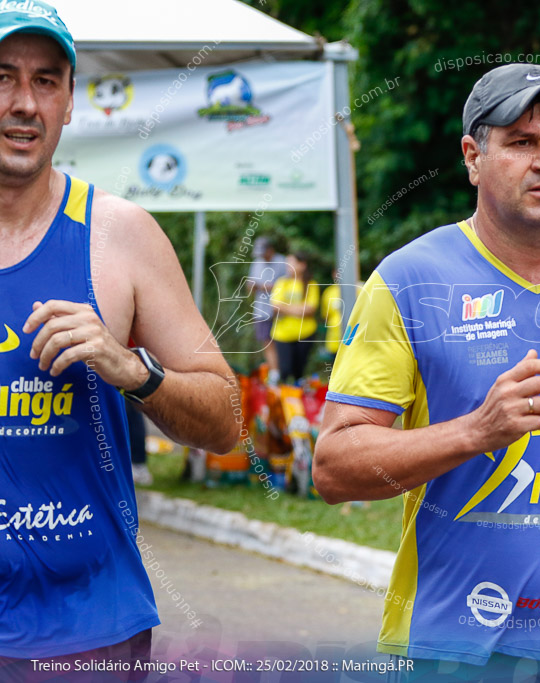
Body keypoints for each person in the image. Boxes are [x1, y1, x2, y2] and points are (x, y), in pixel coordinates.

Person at [312, 63, 540, 680]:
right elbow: (334, 468)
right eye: (521, 142)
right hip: (449, 647)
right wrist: (476, 431)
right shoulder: (407, 282)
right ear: (473, 156)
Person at [0, 2, 239, 671]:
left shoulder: (119, 233)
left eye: (46, 81)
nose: (24, 103)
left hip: (90, 632)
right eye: (3, 77)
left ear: (70, 101)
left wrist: (133, 368)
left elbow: (227, 422)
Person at [269, 250, 319, 384]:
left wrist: (286, 308)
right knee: (284, 371)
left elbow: (310, 309)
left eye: (291, 262)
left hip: (305, 334)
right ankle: (285, 399)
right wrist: (299, 309)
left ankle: (297, 400)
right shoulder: (282, 282)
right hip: (282, 335)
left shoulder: (310, 284)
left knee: (299, 372)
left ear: (302, 265)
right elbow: (275, 306)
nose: (288, 265)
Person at [248, 236, 289, 384]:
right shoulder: (256, 263)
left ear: (270, 250)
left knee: (280, 342)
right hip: (261, 309)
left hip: (280, 311)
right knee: (266, 341)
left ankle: (282, 373)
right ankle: (274, 374)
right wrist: (254, 286)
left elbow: (289, 284)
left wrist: (266, 286)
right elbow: (250, 285)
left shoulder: (282, 262)